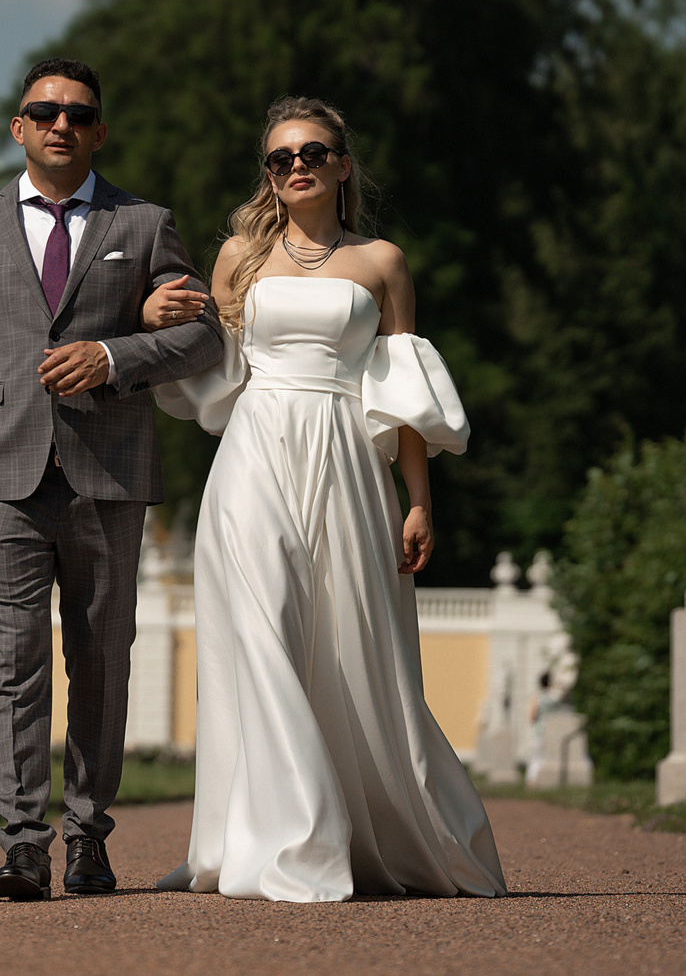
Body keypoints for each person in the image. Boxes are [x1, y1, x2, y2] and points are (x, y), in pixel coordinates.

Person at [141, 96, 506, 902]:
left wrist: (419, 500)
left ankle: (365, 830)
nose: (296, 166)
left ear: (342, 163)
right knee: (261, 628)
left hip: (347, 457)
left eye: (312, 152)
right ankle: (292, 838)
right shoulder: (239, 256)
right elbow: (205, 359)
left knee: (350, 646)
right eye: (281, 157)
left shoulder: (383, 261)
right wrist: (149, 314)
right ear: (268, 174)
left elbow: (404, 392)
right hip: (254, 452)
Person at [0, 57, 224, 900]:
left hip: (108, 471)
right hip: (2, 471)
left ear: (99, 131)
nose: (60, 124)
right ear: (18, 126)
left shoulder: (144, 224)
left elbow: (203, 337)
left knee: (101, 657)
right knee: (15, 658)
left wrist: (114, 354)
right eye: (44, 111)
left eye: (78, 114)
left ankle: (87, 836)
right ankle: (22, 844)